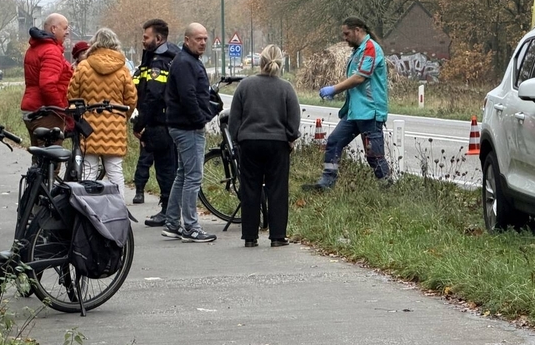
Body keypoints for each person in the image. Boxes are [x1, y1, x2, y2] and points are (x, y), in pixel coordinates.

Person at [305, 16, 391, 189]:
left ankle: (387, 188)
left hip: (370, 112)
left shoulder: (370, 48)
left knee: (374, 155)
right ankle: (327, 182)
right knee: (334, 141)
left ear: (357, 30)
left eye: (347, 34)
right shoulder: (359, 50)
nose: (344, 38)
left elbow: (359, 78)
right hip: (355, 111)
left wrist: (334, 89)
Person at [228, 45, 300, 247]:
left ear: (260, 62)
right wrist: (290, 137)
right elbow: (294, 119)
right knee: (277, 189)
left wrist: (238, 139)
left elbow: (234, 119)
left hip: (249, 143)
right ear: (280, 63)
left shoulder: (245, 85)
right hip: (277, 144)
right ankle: (277, 236)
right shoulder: (286, 88)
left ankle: (250, 237)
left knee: (250, 188)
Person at [162, 23, 217, 243]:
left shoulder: (188, 60)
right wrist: (200, 120)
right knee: (193, 176)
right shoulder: (185, 62)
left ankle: (172, 223)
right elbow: (188, 95)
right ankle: (191, 227)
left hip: (180, 125)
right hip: (188, 127)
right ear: (187, 40)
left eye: (205, 39)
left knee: (183, 174)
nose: (203, 42)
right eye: (198, 39)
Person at [67, 28, 137, 198]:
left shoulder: (84, 67)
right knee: (115, 170)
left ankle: (87, 208)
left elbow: (72, 96)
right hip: (115, 126)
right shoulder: (122, 69)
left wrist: (79, 117)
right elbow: (131, 99)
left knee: (89, 170)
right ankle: (118, 208)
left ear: (95, 43)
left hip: (88, 126)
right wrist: (122, 117)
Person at [131, 19, 179, 217]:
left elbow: (153, 95)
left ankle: (168, 211)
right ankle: (171, 209)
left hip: (160, 122)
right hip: (170, 121)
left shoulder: (158, 61)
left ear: (158, 39)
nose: (143, 41)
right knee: (170, 167)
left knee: (165, 168)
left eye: (146, 37)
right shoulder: (170, 56)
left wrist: (139, 123)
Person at [20, 13, 73, 146]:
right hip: (46, 112)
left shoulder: (35, 48)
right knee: (52, 154)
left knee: (39, 153)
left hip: (31, 108)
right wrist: (61, 110)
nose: (67, 32)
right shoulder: (51, 51)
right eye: (65, 28)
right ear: (54, 29)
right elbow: (47, 85)